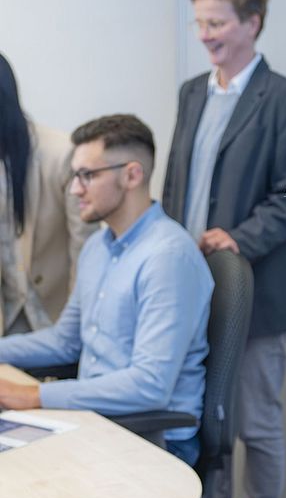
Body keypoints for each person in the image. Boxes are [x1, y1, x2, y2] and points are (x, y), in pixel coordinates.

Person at [162, 0, 286, 498]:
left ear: (252, 22)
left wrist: (239, 238)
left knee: (255, 421)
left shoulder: (284, 98)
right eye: (200, 23)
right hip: (194, 286)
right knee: (208, 414)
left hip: (254, 290)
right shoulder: (193, 91)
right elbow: (177, 184)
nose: (206, 35)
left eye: (217, 22)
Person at [0, 113, 213, 467]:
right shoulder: (98, 247)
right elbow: (64, 341)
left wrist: (34, 394)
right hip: (96, 421)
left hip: (151, 438)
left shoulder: (167, 257)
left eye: (87, 175)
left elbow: (149, 385)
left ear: (131, 175)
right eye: (75, 175)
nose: (74, 189)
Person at [0, 54, 97, 335]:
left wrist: (77, 326)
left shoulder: (61, 153)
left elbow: (85, 247)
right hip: (8, 322)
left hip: (57, 315)